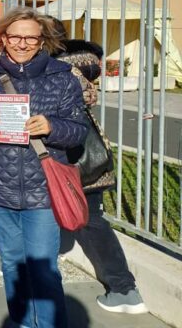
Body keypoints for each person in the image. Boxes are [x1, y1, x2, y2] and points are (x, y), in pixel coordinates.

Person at [0, 7, 88, 328]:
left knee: (44, 269)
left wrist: (50, 125)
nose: (22, 43)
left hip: (43, 190)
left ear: (42, 40)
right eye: (15, 36)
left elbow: (79, 131)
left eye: (30, 38)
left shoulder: (62, 78)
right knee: (13, 267)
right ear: (1, 38)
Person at [46, 17, 148, 315]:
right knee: (91, 218)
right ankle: (124, 289)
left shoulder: (55, 67)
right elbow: (88, 98)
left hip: (64, 152)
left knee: (65, 213)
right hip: (91, 151)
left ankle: (122, 287)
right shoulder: (83, 63)